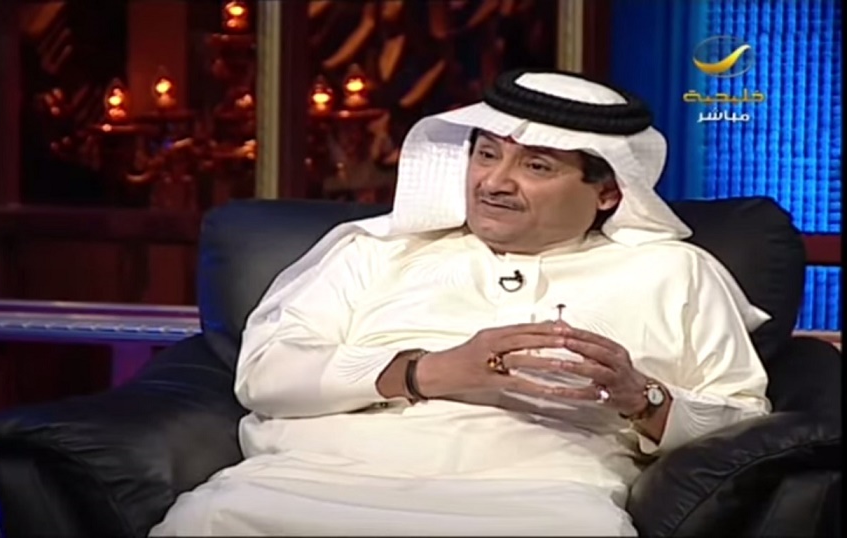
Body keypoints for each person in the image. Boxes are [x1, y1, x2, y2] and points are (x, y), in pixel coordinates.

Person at [151, 70, 771, 536]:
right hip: (305, 486)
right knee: (209, 520)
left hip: (536, 502)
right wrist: (426, 372)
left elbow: (744, 418)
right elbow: (265, 374)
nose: (494, 181)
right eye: (486, 154)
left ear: (608, 191)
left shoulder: (673, 272)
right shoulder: (376, 252)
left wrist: (644, 398)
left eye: (536, 166)